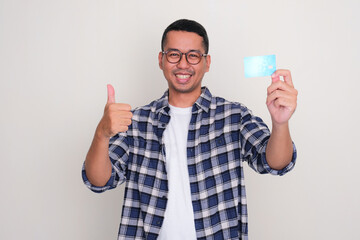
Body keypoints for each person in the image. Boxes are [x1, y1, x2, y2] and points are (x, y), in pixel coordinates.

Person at [82, 19, 298, 240]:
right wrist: (101, 134)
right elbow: (98, 181)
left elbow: (276, 163)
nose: (183, 64)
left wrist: (280, 123)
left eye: (193, 55)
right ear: (161, 60)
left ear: (207, 62)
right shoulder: (136, 122)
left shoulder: (234, 117)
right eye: (174, 54)